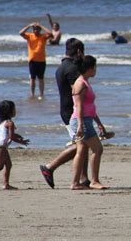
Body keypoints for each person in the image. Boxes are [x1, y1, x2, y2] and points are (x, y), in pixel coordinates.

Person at [39, 38, 90, 189]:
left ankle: (84, 178)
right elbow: (78, 93)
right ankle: (50, 167)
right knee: (82, 144)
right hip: (72, 111)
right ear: (79, 52)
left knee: (83, 144)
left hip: (67, 109)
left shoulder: (62, 66)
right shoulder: (72, 69)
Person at [70, 55, 109, 190]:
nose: (96, 70)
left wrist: (99, 123)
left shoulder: (84, 82)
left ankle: (75, 183)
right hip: (81, 121)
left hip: (85, 120)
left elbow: (89, 106)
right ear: (89, 68)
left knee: (81, 151)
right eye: (95, 67)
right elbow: (79, 106)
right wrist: (81, 125)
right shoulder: (80, 83)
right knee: (97, 149)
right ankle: (94, 181)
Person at [0, 101, 29, 190]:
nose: (15, 111)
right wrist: (21, 142)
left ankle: (6, 184)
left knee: (8, 165)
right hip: (1, 147)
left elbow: (8, 134)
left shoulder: (3, 123)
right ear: (8, 111)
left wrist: (17, 136)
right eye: (14, 109)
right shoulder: (10, 123)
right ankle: (5, 184)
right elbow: (11, 137)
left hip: (0, 147)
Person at [19, 22, 52, 100]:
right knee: (32, 78)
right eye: (34, 29)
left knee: (41, 78)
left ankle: (41, 94)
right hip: (32, 60)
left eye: (37, 29)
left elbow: (50, 33)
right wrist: (29, 25)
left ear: (40, 30)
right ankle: (32, 94)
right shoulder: (29, 36)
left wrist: (41, 25)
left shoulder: (43, 36)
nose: (35, 30)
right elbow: (20, 33)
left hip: (41, 60)